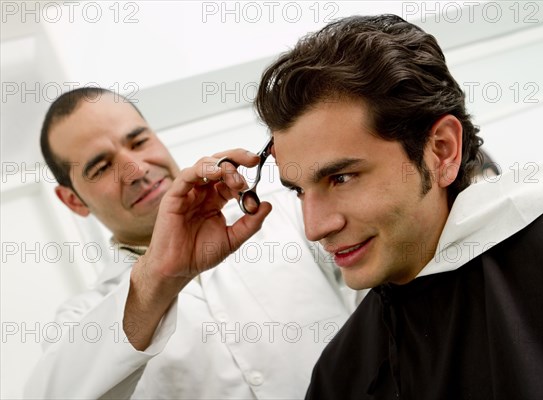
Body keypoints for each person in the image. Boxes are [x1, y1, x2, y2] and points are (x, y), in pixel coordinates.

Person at [253, 15, 543, 399]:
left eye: (342, 178)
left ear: (441, 150)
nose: (315, 227)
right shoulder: (339, 377)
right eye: (299, 191)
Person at [25, 87, 363, 399]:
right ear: (73, 201)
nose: (136, 169)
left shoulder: (284, 215)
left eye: (139, 141)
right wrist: (157, 276)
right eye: (101, 166)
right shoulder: (80, 319)